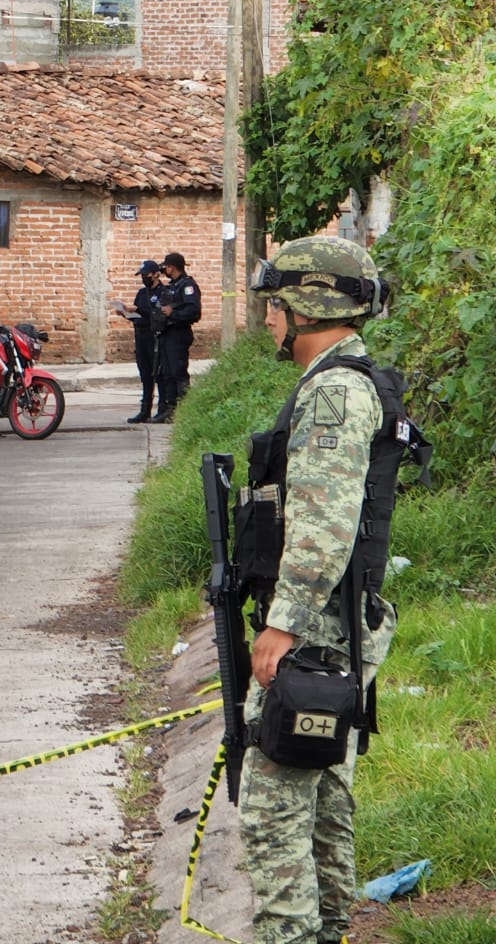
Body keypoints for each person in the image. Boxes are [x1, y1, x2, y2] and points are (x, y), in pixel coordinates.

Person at [239, 235, 411, 944]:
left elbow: (323, 523)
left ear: (307, 305)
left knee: (274, 813)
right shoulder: (339, 381)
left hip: (316, 634)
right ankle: (330, 929)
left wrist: (284, 625)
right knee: (323, 797)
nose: (270, 319)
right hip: (334, 628)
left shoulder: (336, 392)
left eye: (275, 305)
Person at [151, 251, 201, 423]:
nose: (165, 270)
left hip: (178, 333)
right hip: (167, 333)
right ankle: (170, 409)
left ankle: (186, 410)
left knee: (178, 372)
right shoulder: (173, 286)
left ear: (172, 267)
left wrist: (174, 312)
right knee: (166, 373)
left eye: (166, 267)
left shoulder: (187, 286)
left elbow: (193, 311)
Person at [122, 260, 164, 423]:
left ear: (155, 274)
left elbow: (157, 313)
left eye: (146, 274)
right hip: (140, 335)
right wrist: (126, 313)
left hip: (154, 336)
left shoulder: (162, 292)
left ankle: (162, 408)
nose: (144, 278)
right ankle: (144, 409)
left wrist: (138, 310)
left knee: (158, 373)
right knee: (145, 374)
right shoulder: (141, 293)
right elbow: (138, 313)